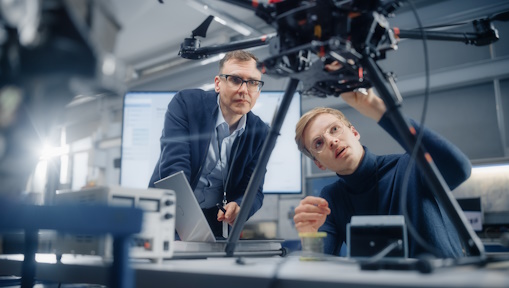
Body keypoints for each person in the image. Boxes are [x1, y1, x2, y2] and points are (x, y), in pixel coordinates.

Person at [293, 88, 472, 258]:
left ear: (354, 132)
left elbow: (459, 168)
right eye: (318, 143)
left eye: (334, 129)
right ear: (319, 164)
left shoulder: (411, 167)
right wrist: (309, 235)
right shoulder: (331, 198)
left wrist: (375, 107)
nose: (331, 141)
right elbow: (319, 266)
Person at [148, 50, 269, 238]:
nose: (244, 90)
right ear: (218, 84)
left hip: (216, 223)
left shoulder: (261, 133)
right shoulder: (186, 104)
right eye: (236, 80)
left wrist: (240, 206)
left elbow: (254, 190)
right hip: (169, 210)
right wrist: (189, 229)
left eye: (253, 83)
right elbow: (174, 167)